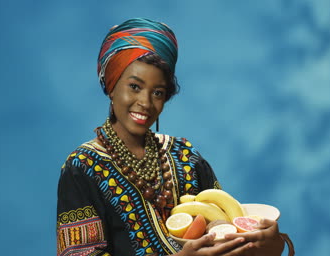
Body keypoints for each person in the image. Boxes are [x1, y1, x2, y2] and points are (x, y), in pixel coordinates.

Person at [56, 18, 294, 256]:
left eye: (157, 92)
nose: (145, 103)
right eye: (135, 87)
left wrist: (271, 246)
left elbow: (228, 235)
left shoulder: (185, 156)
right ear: (111, 84)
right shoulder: (82, 167)